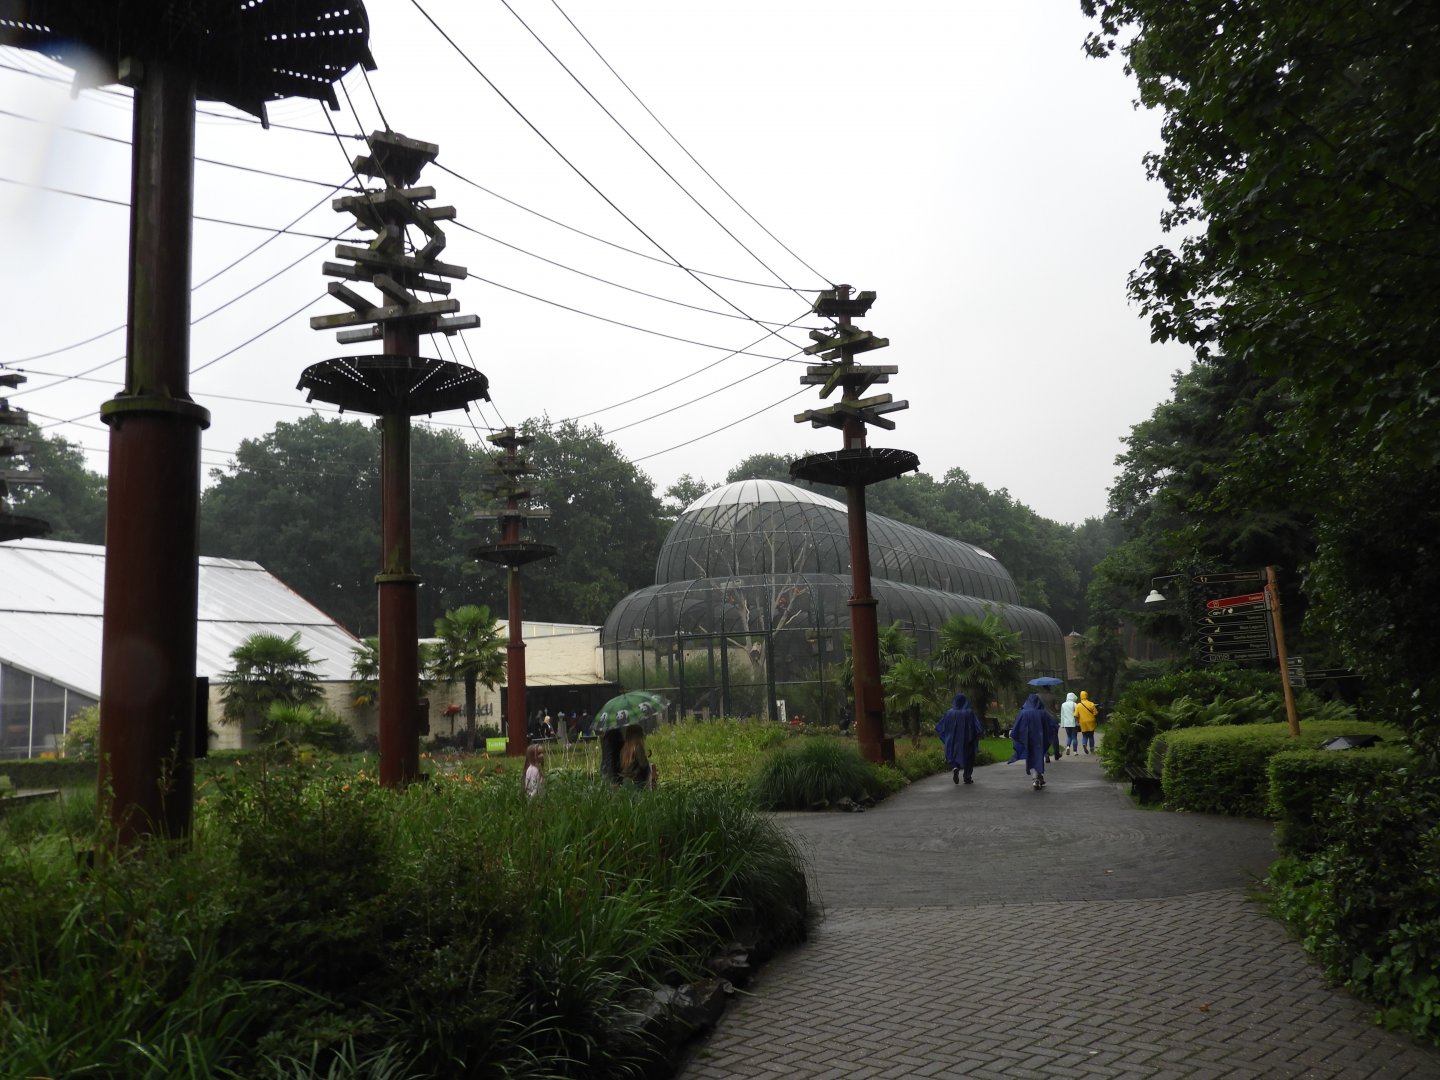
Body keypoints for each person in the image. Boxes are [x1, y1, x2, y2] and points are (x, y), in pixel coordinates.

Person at [1008, 693, 1054, 790]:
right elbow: (1052, 725)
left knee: (1031, 756)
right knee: (1038, 757)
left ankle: (1036, 778)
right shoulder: (1042, 713)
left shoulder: (1024, 713)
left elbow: (1017, 727)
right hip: (1040, 739)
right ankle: (1037, 777)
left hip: (1027, 738)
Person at [936, 692, 983, 785]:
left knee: (953, 754)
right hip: (967, 739)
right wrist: (975, 736)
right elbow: (977, 727)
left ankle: (955, 767)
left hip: (952, 740)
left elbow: (940, 727)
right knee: (969, 757)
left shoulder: (949, 712)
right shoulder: (969, 712)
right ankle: (967, 777)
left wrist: (946, 738)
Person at [619, 723, 657, 789]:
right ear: (639, 735)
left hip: (626, 785)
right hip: (639, 785)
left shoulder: (624, 749)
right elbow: (643, 766)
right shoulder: (638, 747)